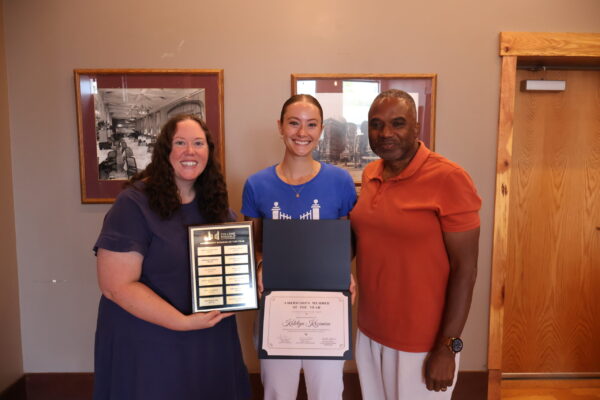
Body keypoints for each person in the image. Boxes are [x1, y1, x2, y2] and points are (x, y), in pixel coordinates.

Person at [93, 114, 251, 400]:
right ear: (165, 150)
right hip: (148, 343)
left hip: (209, 340)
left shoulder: (217, 207)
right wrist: (183, 322)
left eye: (198, 143)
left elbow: (234, 270)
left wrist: (253, 276)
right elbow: (115, 286)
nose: (190, 151)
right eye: (180, 142)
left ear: (209, 152)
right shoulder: (133, 204)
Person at [350, 89, 481, 399]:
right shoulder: (371, 173)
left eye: (397, 123)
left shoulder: (450, 178)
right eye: (376, 124)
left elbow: (467, 269)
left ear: (416, 127)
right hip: (370, 332)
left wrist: (449, 347)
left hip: (423, 343)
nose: (385, 134)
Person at [242, 94, 357, 400]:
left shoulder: (340, 182)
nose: (302, 132)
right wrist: (261, 266)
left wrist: (346, 272)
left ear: (320, 130)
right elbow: (251, 244)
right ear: (280, 126)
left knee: (327, 391)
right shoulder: (256, 185)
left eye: (311, 124)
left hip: (327, 305)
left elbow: (347, 240)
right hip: (278, 305)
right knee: (277, 391)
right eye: (293, 123)